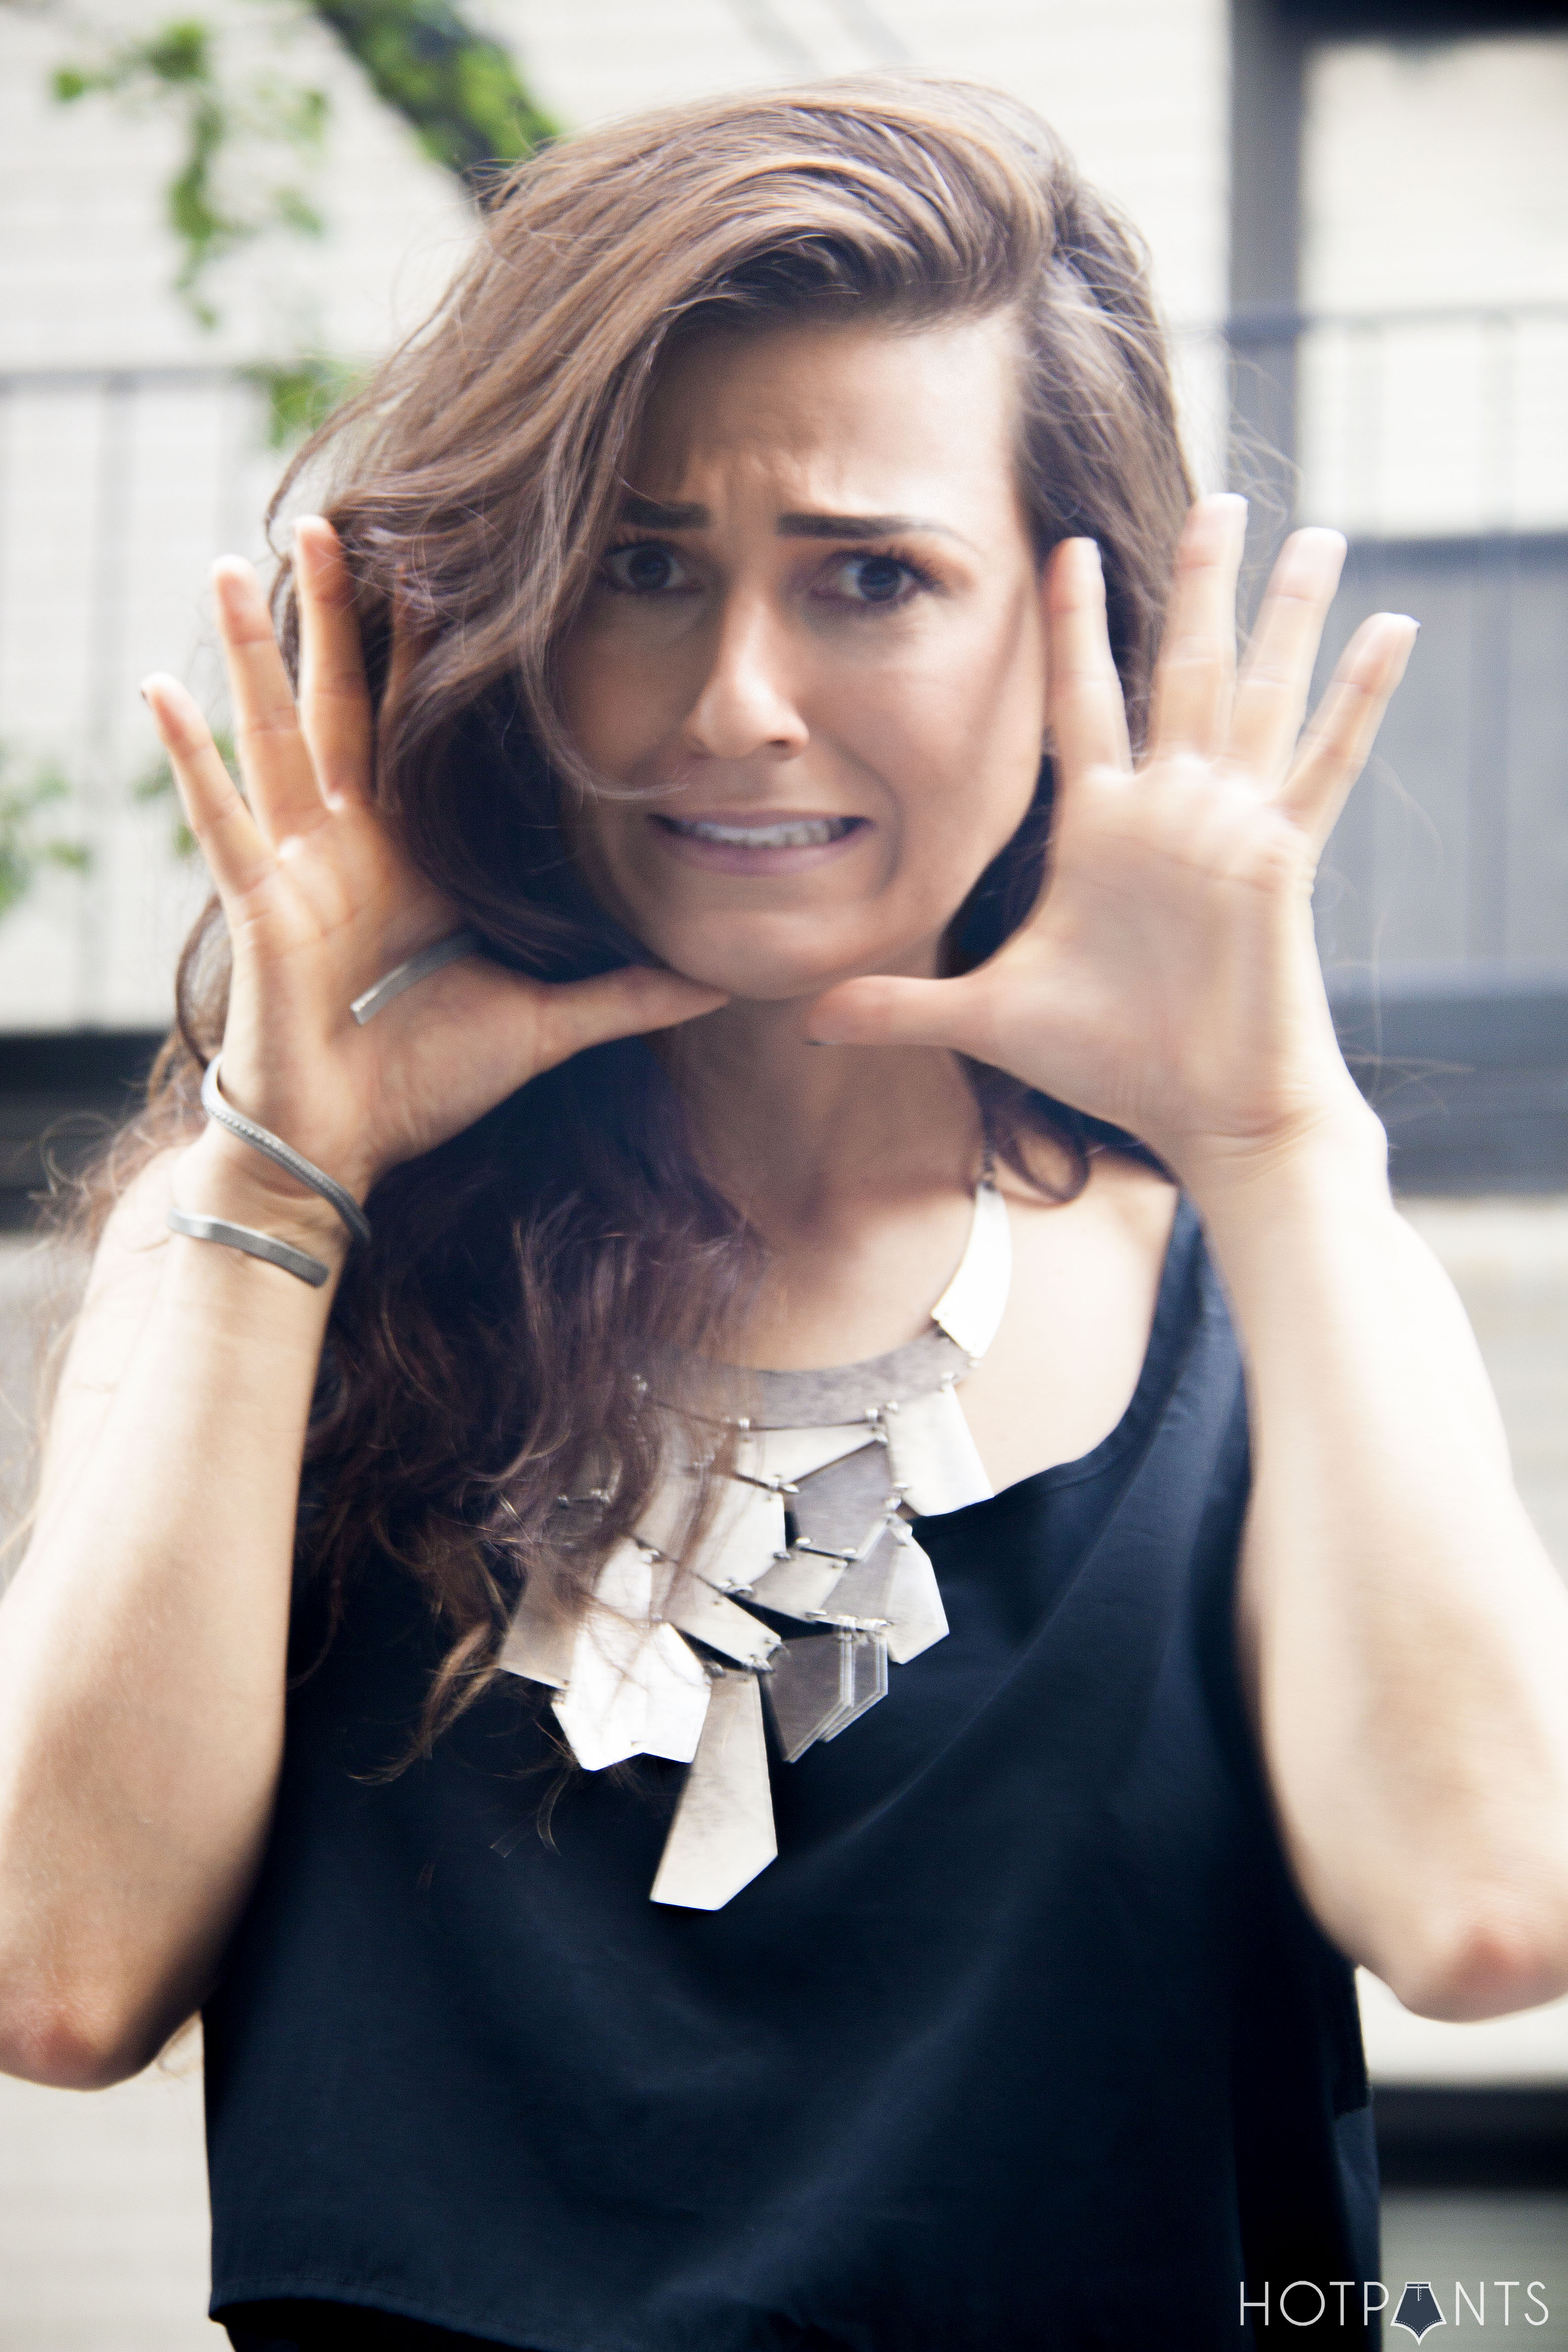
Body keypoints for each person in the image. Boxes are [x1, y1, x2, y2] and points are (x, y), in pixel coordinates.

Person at [1, 73, 1566, 2352]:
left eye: (869, 577)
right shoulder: (266, 1247)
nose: (738, 705)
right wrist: (277, 1164)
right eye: (646, 568)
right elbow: (52, 1974)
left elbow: (1490, 1917)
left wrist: (1282, 1134)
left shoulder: (1255, 1277)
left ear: (1071, 640)